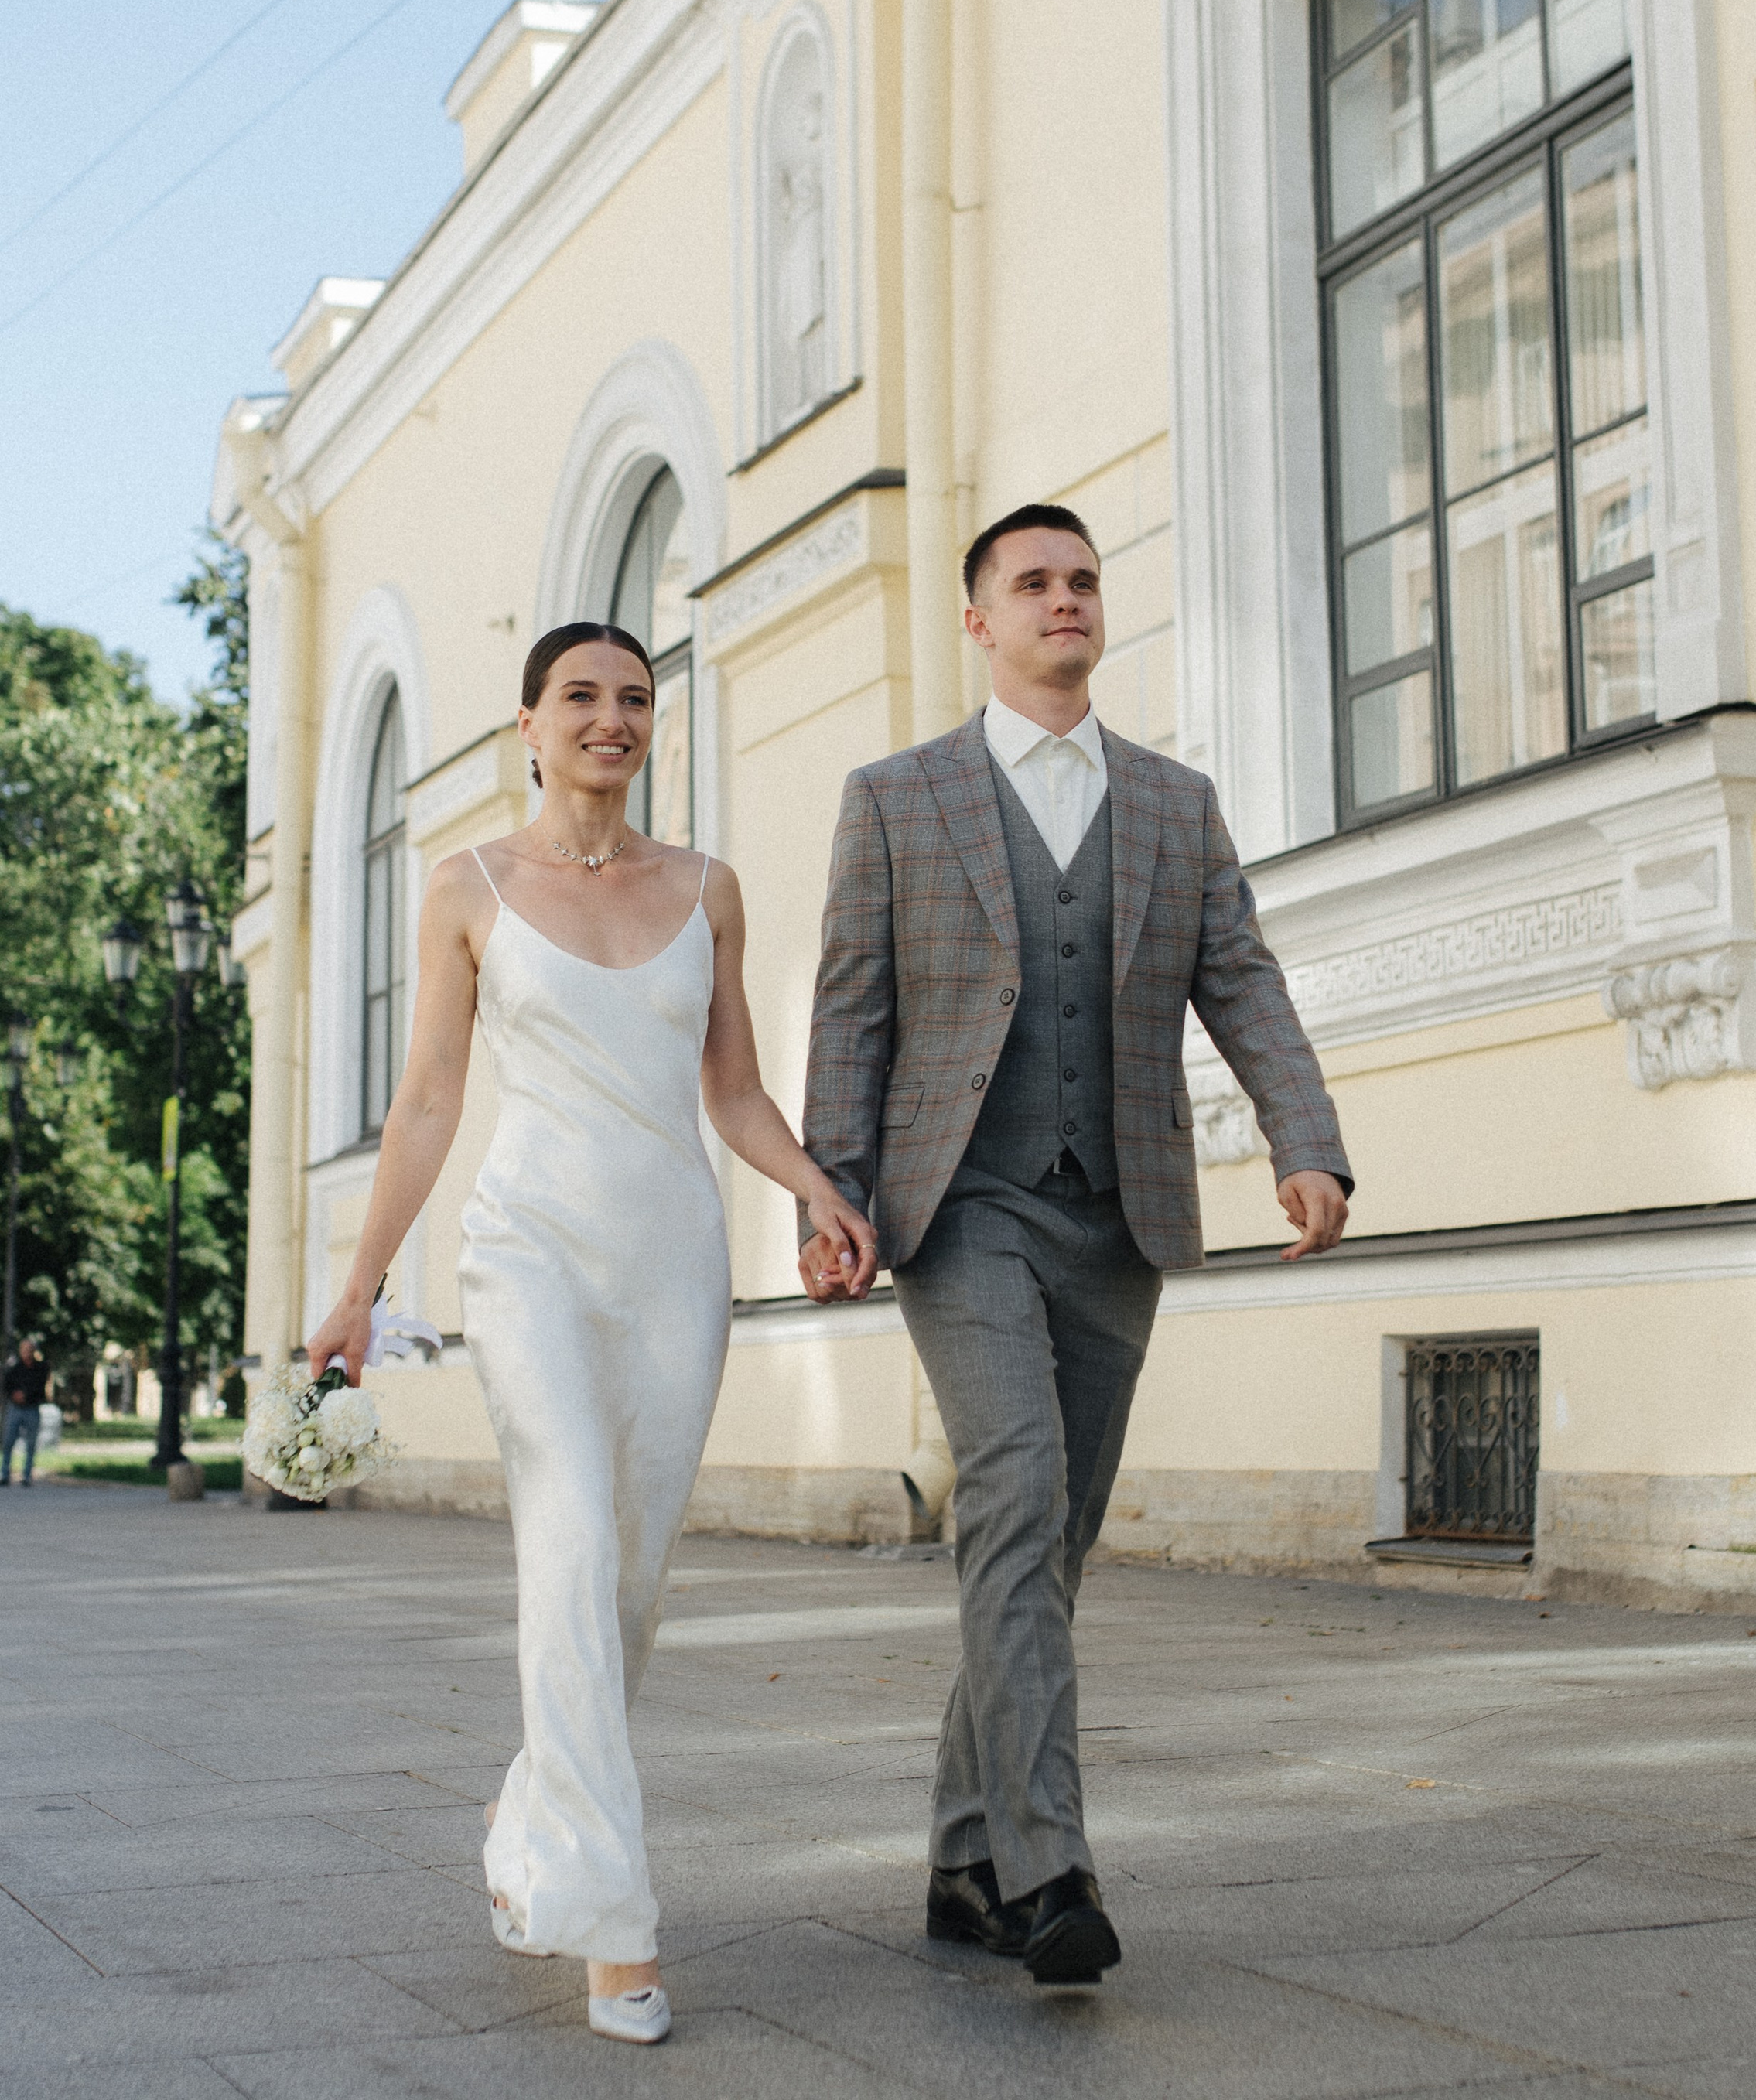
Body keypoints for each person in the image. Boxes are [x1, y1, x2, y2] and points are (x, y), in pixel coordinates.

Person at [801, 504, 1351, 1986]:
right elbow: (853, 1010)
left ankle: (962, 1860)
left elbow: (1240, 973)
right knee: (1021, 1489)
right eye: (1032, 584)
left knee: (1053, 1540)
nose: (1065, 601)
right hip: (958, 1203)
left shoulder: (1175, 805)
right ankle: (1051, 1874)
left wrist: (1304, 1139)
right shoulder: (896, 798)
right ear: (977, 621)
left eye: (1084, 583)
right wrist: (830, 1192)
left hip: (1118, 1209)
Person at [307, 623, 875, 2044]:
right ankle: (615, 1929)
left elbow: (735, 1092)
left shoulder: (709, 891)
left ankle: (531, 1817)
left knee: (624, 1584)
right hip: (530, 1259)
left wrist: (816, 1189)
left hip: (675, 1261)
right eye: (582, 698)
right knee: (566, 1544)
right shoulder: (467, 887)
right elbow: (430, 1101)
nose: (611, 719)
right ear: (530, 724)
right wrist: (361, 1286)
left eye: (634, 699)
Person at [2, 1333, 48, 1484]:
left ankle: (27, 1475)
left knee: (31, 1443)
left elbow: (41, 1387)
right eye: (24, 1349)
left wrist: (26, 1395)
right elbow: (6, 1385)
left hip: (32, 1408)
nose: (26, 1352)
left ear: (34, 1351)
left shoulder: (40, 1368)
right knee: (8, 1441)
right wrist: (14, 1395)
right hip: (16, 1408)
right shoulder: (14, 1367)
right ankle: (4, 1473)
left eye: (29, 1349)